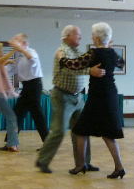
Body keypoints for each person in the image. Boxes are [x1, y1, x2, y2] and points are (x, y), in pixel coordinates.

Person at [36, 25, 105, 173]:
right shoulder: (61, 51)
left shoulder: (76, 51)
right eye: (77, 35)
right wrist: (90, 71)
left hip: (78, 97)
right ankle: (42, 160)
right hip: (62, 96)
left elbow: (83, 62)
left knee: (82, 131)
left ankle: (84, 163)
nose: (80, 37)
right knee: (59, 131)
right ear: (67, 36)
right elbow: (70, 68)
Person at [60, 22, 125, 179]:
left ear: (96, 37)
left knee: (79, 131)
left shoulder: (93, 53)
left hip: (97, 97)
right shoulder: (112, 53)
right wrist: (109, 46)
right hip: (110, 95)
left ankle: (80, 165)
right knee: (108, 133)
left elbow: (74, 64)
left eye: (92, 35)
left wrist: (61, 59)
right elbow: (121, 63)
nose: (91, 37)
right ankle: (119, 167)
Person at [0, 33, 48, 151]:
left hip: (35, 86)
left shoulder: (32, 52)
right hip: (26, 87)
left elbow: (32, 59)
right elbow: (8, 71)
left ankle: (48, 144)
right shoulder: (19, 57)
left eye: (17, 40)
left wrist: (18, 48)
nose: (14, 42)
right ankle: (11, 143)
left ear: (25, 43)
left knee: (37, 115)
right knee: (17, 114)